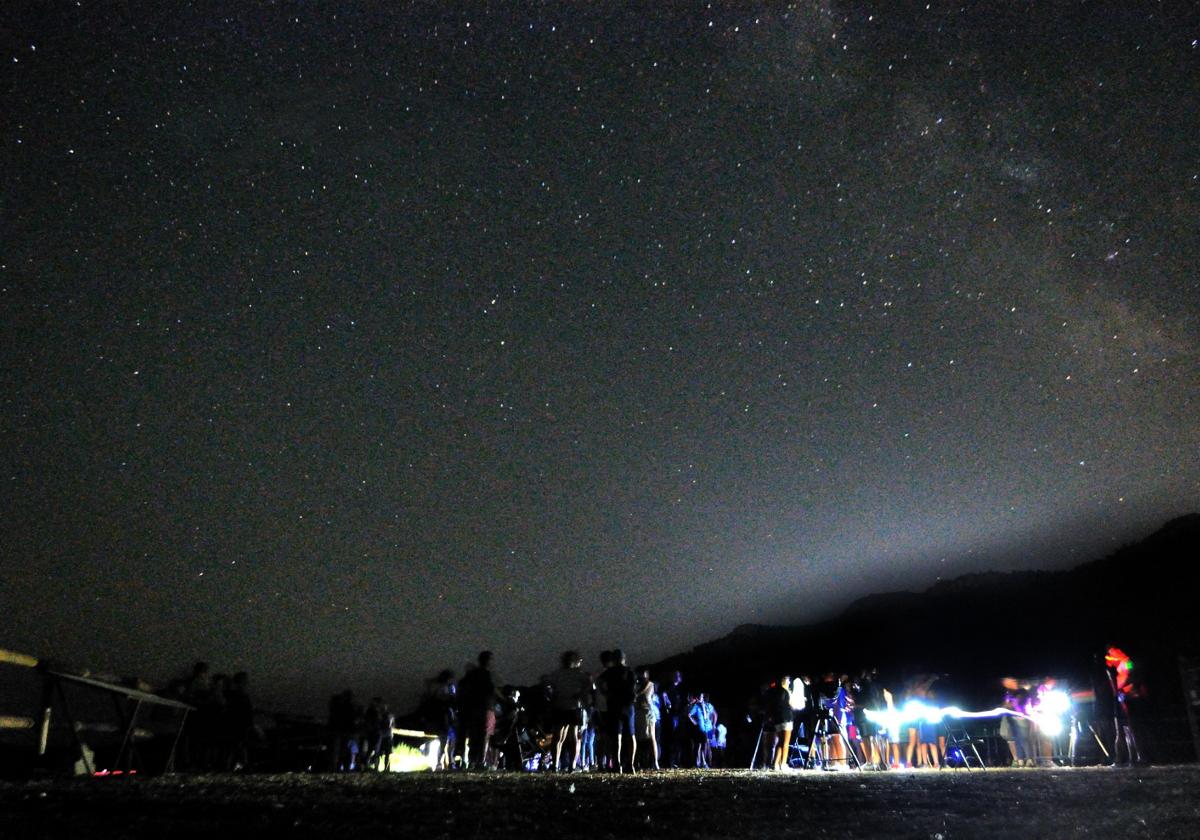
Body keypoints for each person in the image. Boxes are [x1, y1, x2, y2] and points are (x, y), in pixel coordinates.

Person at [544, 651, 592, 771]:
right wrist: (582, 697)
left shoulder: (557, 674)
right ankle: (572, 765)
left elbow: (545, 685)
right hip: (573, 707)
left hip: (561, 706)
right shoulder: (579, 674)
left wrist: (552, 697)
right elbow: (588, 686)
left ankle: (556, 765)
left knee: (558, 737)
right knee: (573, 736)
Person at [457, 651, 499, 770]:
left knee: (474, 735)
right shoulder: (486, 674)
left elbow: (462, 685)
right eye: (491, 659)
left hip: (472, 708)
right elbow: (491, 690)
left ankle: (472, 761)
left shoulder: (472, 674)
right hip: (481, 708)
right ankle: (479, 761)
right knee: (480, 736)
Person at [600, 649, 638, 773]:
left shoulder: (609, 672)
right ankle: (630, 765)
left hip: (615, 705)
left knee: (617, 736)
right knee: (630, 735)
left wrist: (606, 694)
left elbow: (599, 682)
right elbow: (633, 688)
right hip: (627, 705)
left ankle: (618, 765)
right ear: (624, 658)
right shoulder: (629, 671)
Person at [762, 676, 793, 771]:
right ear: (785, 681)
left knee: (781, 741)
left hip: (777, 719)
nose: (789, 682)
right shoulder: (785, 691)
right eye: (788, 680)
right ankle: (783, 764)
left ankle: (775, 764)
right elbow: (790, 705)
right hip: (786, 717)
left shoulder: (774, 691)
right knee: (785, 742)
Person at [634, 667, 660, 770]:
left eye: (643, 674)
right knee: (640, 738)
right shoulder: (637, 686)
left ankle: (655, 762)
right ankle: (640, 762)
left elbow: (642, 694)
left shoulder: (650, 684)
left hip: (647, 711)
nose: (642, 676)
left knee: (651, 737)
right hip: (639, 713)